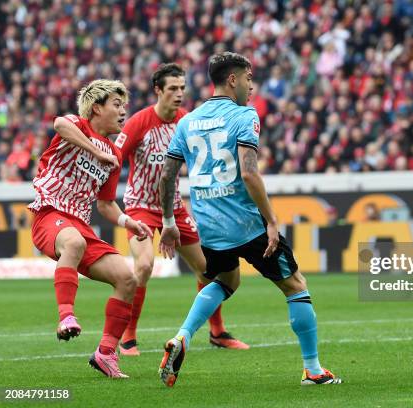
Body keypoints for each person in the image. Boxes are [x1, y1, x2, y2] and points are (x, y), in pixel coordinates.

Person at [157, 52, 342, 386]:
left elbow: (167, 176)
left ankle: (183, 335)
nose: (251, 86)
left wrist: (169, 221)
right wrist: (271, 220)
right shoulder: (245, 116)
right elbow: (250, 172)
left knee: (226, 280)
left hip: (208, 223)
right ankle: (313, 370)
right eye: (248, 78)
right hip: (245, 221)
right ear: (232, 80)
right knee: (295, 285)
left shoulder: (187, 122)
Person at [114, 63, 248, 355]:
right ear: (158, 91)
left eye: (182, 88)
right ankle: (128, 336)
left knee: (209, 270)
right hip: (140, 206)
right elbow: (114, 158)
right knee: (144, 265)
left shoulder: (187, 122)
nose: (179, 94)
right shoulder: (138, 122)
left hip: (173, 207)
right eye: (172, 88)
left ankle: (217, 332)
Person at [27, 79, 153, 378]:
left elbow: (106, 204)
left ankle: (106, 353)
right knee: (73, 243)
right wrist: (95, 151)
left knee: (127, 279)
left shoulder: (115, 154)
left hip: (80, 226)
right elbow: (59, 124)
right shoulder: (77, 125)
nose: (124, 111)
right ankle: (66, 317)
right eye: (117, 105)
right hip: (50, 215)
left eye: (125, 105)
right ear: (97, 108)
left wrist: (129, 222)